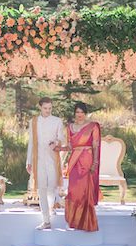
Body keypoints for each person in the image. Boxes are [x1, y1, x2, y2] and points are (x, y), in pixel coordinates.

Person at [57, 101, 100, 232]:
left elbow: (95, 146)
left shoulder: (93, 126)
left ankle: (86, 222)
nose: (79, 114)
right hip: (74, 161)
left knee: (84, 191)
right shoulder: (70, 127)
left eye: (81, 112)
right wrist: (59, 148)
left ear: (85, 113)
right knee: (73, 190)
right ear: (74, 113)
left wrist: (95, 162)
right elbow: (70, 146)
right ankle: (74, 221)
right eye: (77, 112)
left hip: (87, 160)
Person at [25, 96, 66, 230]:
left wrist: (56, 142)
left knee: (51, 187)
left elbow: (62, 139)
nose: (48, 110)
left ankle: (50, 208)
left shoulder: (57, 121)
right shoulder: (34, 122)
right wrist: (29, 161)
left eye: (50, 108)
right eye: (45, 108)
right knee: (41, 188)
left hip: (53, 158)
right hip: (39, 159)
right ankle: (46, 220)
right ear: (40, 107)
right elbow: (31, 142)